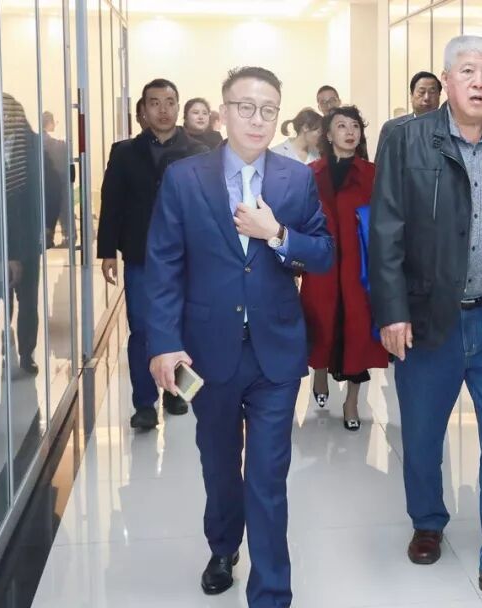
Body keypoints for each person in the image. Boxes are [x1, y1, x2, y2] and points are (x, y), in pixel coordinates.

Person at [370, 35, 482, 607]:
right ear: (446, 80)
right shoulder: (405, 138)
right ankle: (427, 520)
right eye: (467, 71)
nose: (478, 82)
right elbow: (386, 230)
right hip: (429, 318)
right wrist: (392, 310)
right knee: (423, 435)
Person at [145, 66, 333, 607]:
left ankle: (271, 592)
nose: (257, 119)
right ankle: (224, 547)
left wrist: (279, 234)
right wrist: (163, 342)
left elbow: (323, 254)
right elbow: (163, 264)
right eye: (245, 107)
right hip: (208, 352)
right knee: (219, 462)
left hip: (276, 351)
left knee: (269, 475)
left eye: (268, 109)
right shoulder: (185, 178)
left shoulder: (296, 179)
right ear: (223, 113)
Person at [97, 78, 208, 430]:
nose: (163, 109)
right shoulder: (124, 152)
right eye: (155, 103)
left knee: (185, 324)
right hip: (141, 255)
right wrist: (107, 250)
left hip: (188, 256)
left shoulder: (199, 152)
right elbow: (112, 203)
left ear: (178, 107)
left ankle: (177, 391)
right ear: (143, 110)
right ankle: (144, 403)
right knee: (143, 328)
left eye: (170, 102)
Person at [301, 105, 388, 430]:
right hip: (321, 267)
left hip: (359, 267)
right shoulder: (311, 173)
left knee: (357, 330)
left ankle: (352, 401)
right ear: (328, 134)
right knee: (321, 322)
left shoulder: (372, 174)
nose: (350, 132)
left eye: (355, 126)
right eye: (341, 126)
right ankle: (320, 372)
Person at [0, 94, 44, 378]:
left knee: (27, 299)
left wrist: (44, 228)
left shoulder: (32, 145)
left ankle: (26, 352)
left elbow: (47, 187)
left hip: (25, 237)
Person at [375, 71, 442, 160]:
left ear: (439, 95)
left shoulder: (450, 127)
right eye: (421, 92)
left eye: (432, 92)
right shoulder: (392, 128)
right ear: (411, 96)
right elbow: (381, 165)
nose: (427, 97)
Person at [42, 111, 71, 247]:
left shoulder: (40, 140)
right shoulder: (53, 142)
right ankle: (67, 236)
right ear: (49, 123)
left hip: (48, 182)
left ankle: (50, 237)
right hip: (58, 180)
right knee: (63, 208)